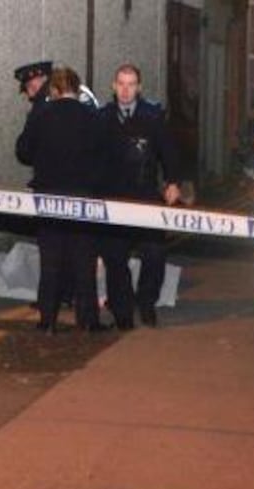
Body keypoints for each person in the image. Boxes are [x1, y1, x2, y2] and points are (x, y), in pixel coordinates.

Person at [16, 65, 107, 334]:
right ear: (77, 90)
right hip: (84, 197)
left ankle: (47, 321)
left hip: (48, 197)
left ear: (53, 90)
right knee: (84, 261)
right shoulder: (93, 117)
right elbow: (105, 156)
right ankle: (89, 320)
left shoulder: (40, 115)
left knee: (51, 262)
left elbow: (22, 151)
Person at [96, 63, 182, 328]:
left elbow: (169, 152)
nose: (125, 90)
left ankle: (146, 304)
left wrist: (173, 181)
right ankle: (122, 311)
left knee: (154, 254)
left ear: (139, 88)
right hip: (114, 198)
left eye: (131, 84)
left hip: (145, 196)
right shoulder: (103, 117)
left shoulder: (152, 116)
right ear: (113, 86)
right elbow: (93, 157)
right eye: (121, 83)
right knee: (114, 257)